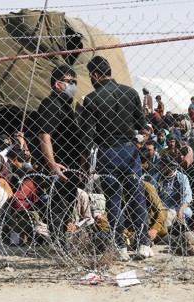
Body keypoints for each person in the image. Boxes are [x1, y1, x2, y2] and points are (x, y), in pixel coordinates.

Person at [81, 56, 151, 260]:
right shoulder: (130, 93)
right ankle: (144, 244)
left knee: (114, 200)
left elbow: (88, 137)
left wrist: (86, 161)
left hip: (106, 153)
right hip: (129, 151)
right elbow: (142, 124)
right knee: (137, 196)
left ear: (95, 75)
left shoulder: (92, 99)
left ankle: (120, 247)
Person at [36, 65, 83, 239]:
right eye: (69, 81)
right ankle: (58, 243)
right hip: (61, 166)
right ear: (57, 84)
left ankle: (63, 240)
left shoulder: (65, 105)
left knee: (67, 205)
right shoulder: (52, 104)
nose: (73, 85)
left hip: (71, 165)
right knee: (59, 206)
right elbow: (44, 135)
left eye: (74, 81)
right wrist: (52, 164)